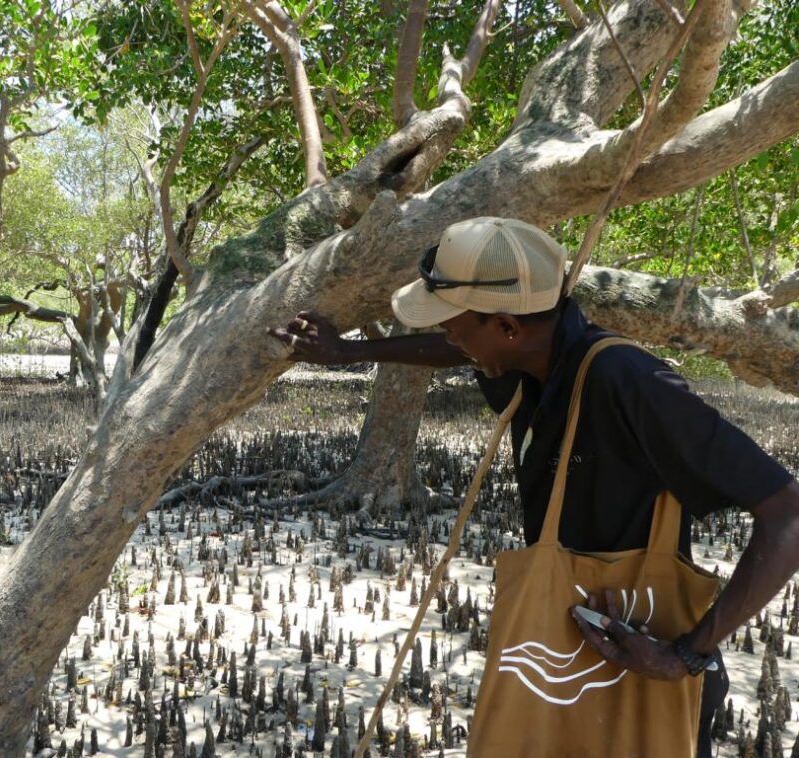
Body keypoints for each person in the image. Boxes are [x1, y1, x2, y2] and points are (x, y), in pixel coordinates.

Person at [269, 217, 799, 757]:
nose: (450, 338)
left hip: (643, 668)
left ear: (507, 328)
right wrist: (350, 354)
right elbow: (459, 348)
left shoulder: (629, 380)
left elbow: (789, 514)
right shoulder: (533, 359)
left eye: (453, 323)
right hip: (568, 660)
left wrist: (686, 654)